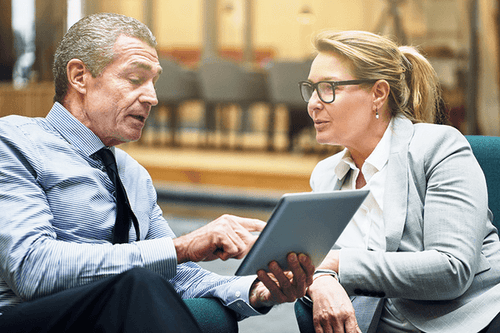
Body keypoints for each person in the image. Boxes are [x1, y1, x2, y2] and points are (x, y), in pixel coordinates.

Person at [0, 13, 315, 333]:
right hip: (27, 318)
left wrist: (256, 291)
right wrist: (182, 247)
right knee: (137, 285)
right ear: (80, 77)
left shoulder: (131, 173)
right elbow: (31, 268)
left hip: (115, 314)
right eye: (136, 79)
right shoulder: (14, 142)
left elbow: (177, 274)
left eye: (154, 82)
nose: (152, 97)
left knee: (215, 316)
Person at [296, 30, 500, 333]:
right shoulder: (326, 174)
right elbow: (319, 263)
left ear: (379, 93)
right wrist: (322, 278)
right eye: (311, 89)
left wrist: (336, 263)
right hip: (375, 323)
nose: (313, 103)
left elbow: (451, 269)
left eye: (328, 88)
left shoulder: (439, 147)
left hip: (463, 320)